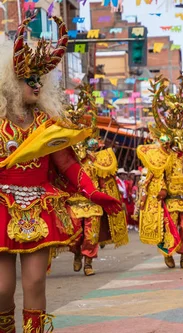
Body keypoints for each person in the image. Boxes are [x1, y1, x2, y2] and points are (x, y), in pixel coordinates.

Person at [0, 16, 121, 333]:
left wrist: (95, 191)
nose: (35, 84)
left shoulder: (48, 124)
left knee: (35, 282)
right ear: (9, 84)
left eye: (40, 79)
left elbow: (67, 163)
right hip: (3, 208)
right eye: (28, 79)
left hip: (40, 206)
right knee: (2, 287)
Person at [137, 74, 183, 268]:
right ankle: (168, 252)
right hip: (170, 197)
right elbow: (158, 173)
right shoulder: (165, 153)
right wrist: (161, 189)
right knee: (169, 228)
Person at [67, 85, 129, 276]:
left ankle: (88, 262)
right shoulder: (69, 160)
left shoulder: (98, 160)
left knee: (91, 235)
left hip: (93, 204)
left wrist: (109, 198)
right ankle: (77, 253)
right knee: (75, 235)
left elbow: (104, 182)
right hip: (75, 203)